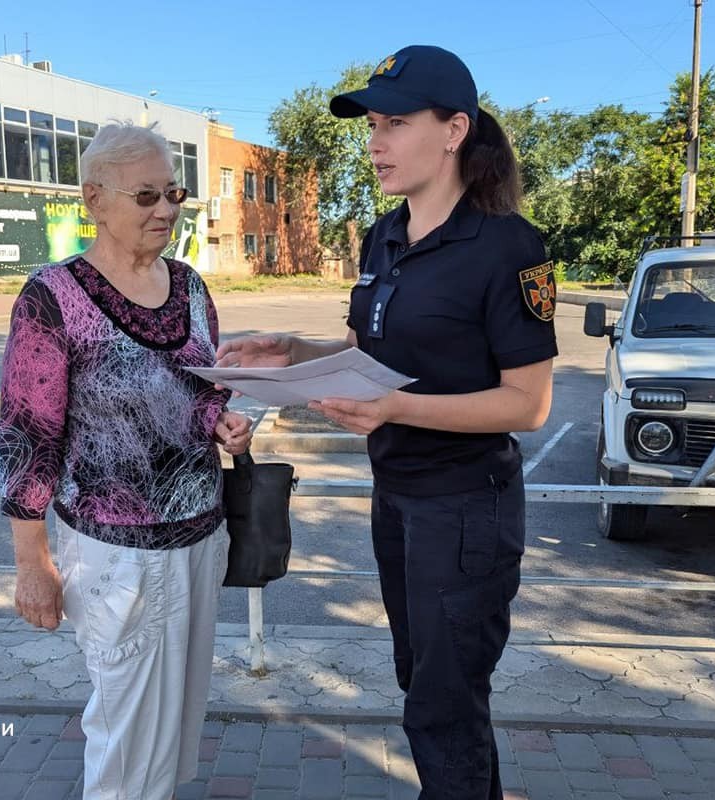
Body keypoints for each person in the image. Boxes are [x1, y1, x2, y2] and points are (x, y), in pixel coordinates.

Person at [216, 45, 556, 799]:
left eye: (395, 123)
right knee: (429, 682)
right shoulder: (384, 235)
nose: (374, 142)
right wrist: (292, 350)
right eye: (372, 124)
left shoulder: (507, 246)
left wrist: (399, 407)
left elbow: (528, 405)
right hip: (397, 496)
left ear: (454, 129)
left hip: (467, 508)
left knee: (442, 702)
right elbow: (368, 350)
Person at [0, 122, 252, 800]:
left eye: (174, 192)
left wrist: (219, 421)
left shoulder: (193, 287)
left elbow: (200, 385)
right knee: (124, 739)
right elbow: (27, 437)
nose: (166, 210)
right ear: (95, 200)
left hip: (201, 537)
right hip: (115, 559)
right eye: (146, 196)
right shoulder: (53, 297)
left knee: (173, 731)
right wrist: (32, 566)